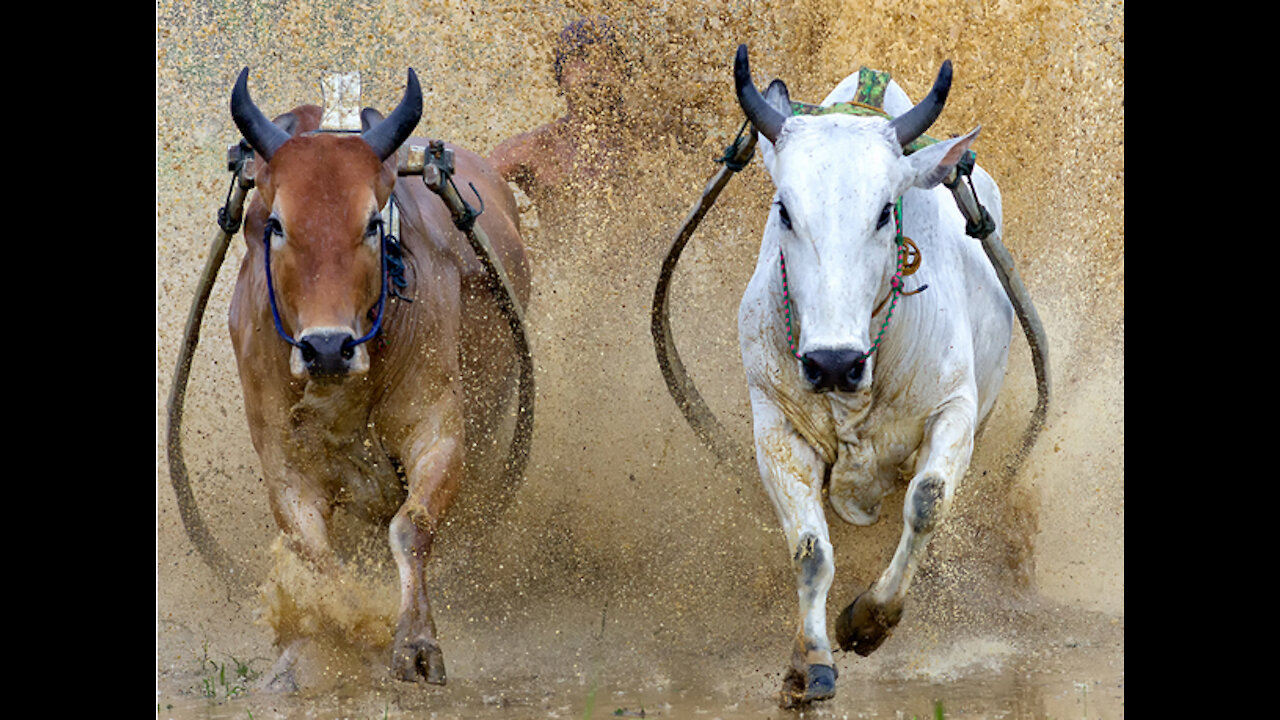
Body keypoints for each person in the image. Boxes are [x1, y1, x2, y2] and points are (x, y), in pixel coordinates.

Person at [489, 17, 631, 200]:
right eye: (582, 56)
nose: (594, 69)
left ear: (624, 73)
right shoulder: (535, 149)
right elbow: (473, 185)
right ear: (560, 76)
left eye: (607, 57)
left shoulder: (650, 142)